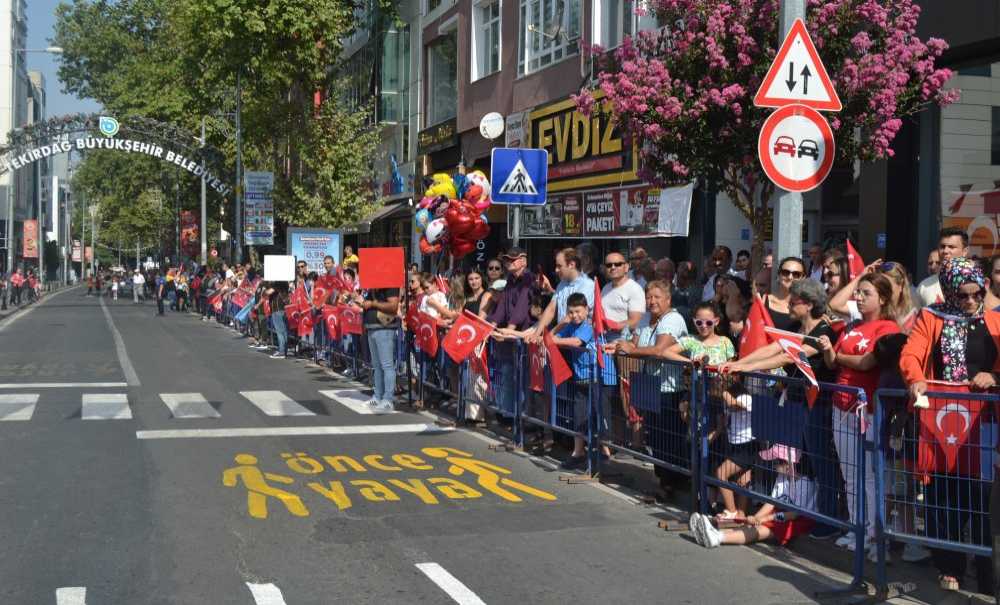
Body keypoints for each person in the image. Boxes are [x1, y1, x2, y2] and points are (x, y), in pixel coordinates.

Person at [899, 257, 1000, 593]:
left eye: (976, 294)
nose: (970, 301)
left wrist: (994, 376)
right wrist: (916, 379)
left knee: (984, 501)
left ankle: (987, 573)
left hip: (986, 425)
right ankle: (950, 566)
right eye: (962, 295)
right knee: (945, 495)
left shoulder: (996, 320)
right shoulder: (932, 317)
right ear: (949, 292)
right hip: (943, 422)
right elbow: (911, 355)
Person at [817, 273, 900, 556]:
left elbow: (867, 363)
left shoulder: (887, 328)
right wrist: (829, 351)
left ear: (883, 299)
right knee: (850, 474)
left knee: (871, 475)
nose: (860, 298)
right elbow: (831, 362)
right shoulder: (851, 327)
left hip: (869, 410)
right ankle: (858, 530)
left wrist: (837, 357)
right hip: (841, 406)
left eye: (866, 293)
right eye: (859, 293)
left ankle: (878, 539)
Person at [612, 280, 689, 490]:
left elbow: (659, 350)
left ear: (668, 299)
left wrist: (630, 350)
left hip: (670, 388)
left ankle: (674, 483)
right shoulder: (647, 318)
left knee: (669, 437)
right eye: (648, 297)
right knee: (654, 436)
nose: (651, 301)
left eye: (656, 297)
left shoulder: (673, 319)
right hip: (650, 384)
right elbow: (634, 344)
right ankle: (662, 479)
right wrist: (618, 346)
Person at [690, 445, 816, 549]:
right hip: (781, 513)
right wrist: (757, 517)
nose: (773, 465)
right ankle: (711, 531)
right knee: (753, 524)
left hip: (799, 519)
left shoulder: (805, 483)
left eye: (777, 462)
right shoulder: (782, 478)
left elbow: (794, 514)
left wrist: (764, 518)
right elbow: (771, 502)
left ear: (789, 465)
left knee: (762, 529)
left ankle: (718, 537)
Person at [551, 293, 602, 470]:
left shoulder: (587, 327)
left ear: (587, 310)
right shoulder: (570, 325)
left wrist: (557, 340)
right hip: (580, 378)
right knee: (579, 416)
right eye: (571, 312)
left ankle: (602, 453)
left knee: (595, 415)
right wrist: (562, 323)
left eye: (578, 311)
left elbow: (576, 342)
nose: (575, 316)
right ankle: (578, 452)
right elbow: (551, 336)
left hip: (594, 377)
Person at [355, 283, 400, 413]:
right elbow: (368, 304)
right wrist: (362, 302)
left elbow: (393, 306)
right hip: (372, 328)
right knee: (376, 365)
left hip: (384, 329)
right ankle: (378, 396)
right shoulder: (373, 285)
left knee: (386, 365)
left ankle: (388, 399)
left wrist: (373, 304)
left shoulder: (391, 284)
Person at [529, 248, 594, 339]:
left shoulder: (587, 285)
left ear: (571, 265)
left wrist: (549, 337)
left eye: (559, 266)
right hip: (561, 338)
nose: (556, 270)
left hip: (579, 342)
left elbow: (570, 317)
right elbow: (551, 310)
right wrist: (536, 334)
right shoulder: (562, 284)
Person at [917, 228, 968, 307]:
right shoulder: (924, 287)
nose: (945, 251)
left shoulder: (976, 284)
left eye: (951, 247)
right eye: (942, 246)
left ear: (964, 251)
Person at [764, 257, 806, 332]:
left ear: (803, 278)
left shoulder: (808, 306)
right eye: (785, 272)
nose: (790, 277)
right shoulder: (763, 301)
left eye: (796, 274)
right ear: (779, 275)